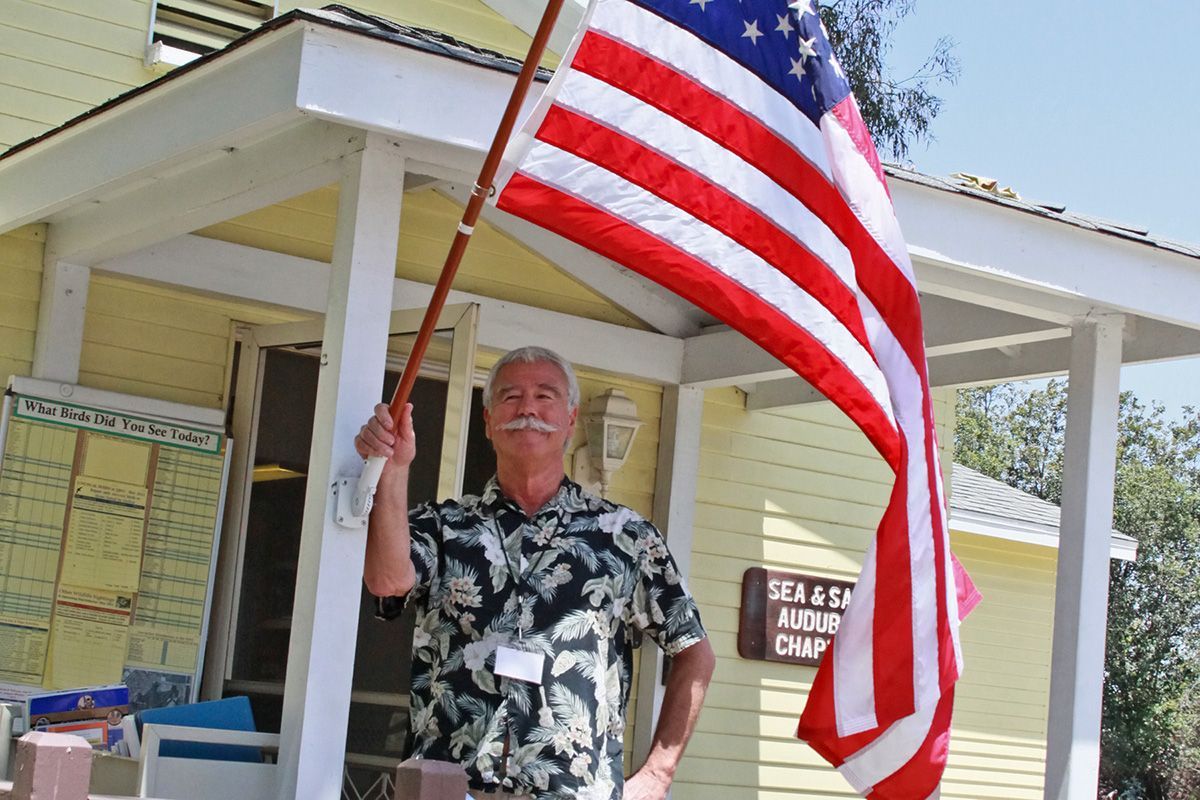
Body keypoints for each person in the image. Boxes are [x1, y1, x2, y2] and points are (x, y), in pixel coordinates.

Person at [357, 346, 715, 800]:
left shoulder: (625, 536)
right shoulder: (444, 526)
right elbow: (388, 581)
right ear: (487, 421)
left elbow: (695, 653)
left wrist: (659, 773)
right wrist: (393, 468)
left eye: (545, 396)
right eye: (510, 397)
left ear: (571, 418)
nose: (527, 407)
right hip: (451, 790)